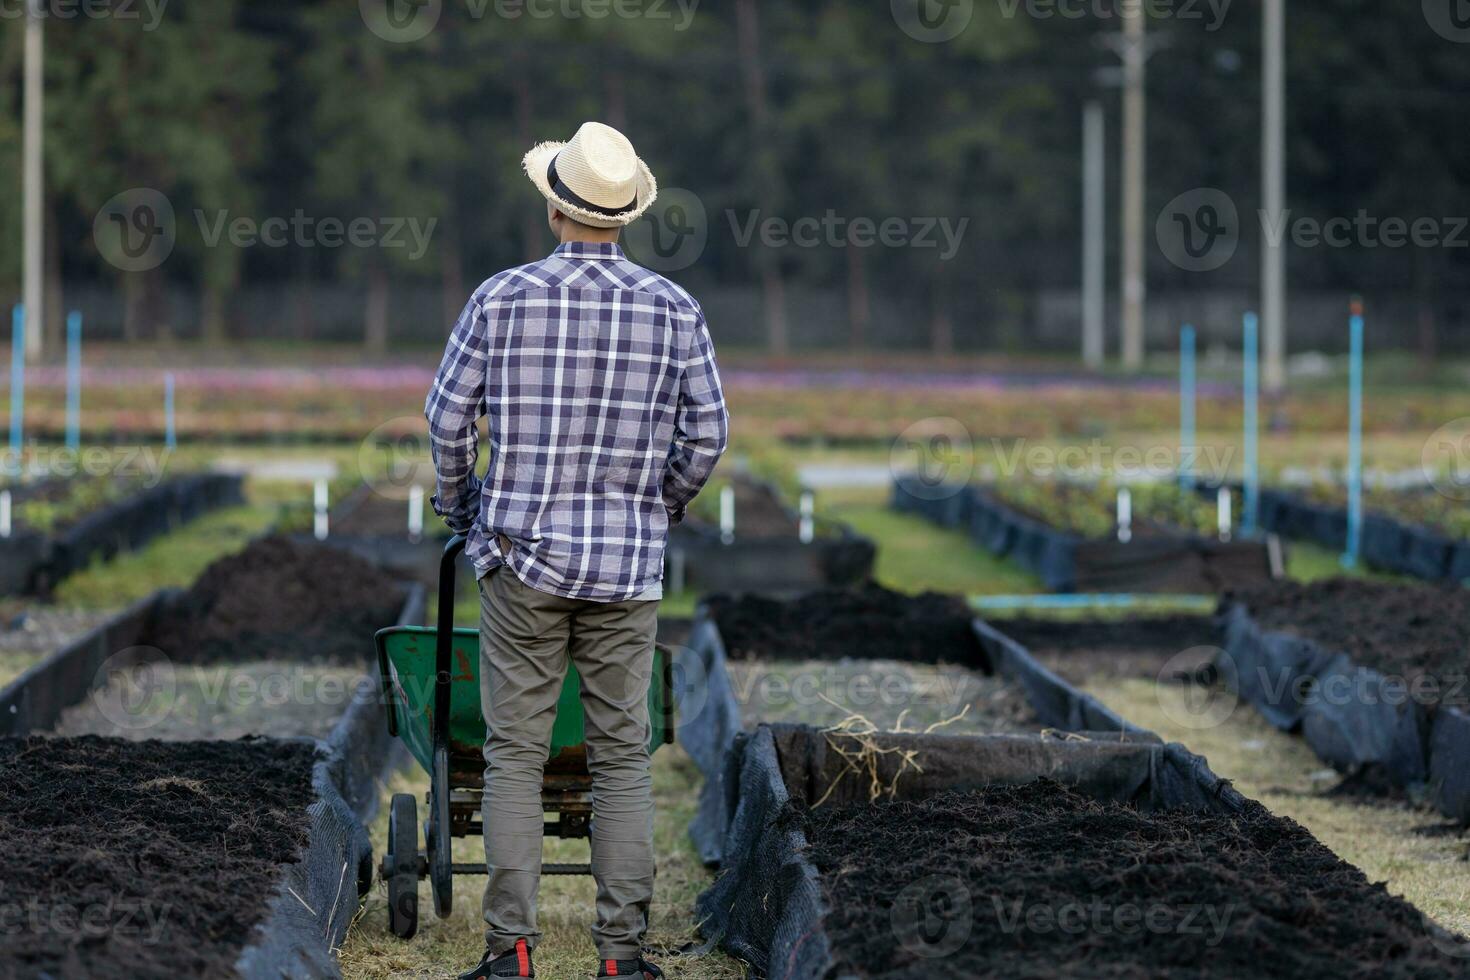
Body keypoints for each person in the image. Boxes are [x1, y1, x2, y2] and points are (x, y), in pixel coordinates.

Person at [425, 121, 728, 980]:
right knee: (621, 757)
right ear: (623, 216)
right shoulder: (675, 309)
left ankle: (511, 951)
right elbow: (707, 433)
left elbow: (447, 420)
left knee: (514, 757)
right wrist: (655, 504)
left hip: (519, 559)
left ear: (555, 210)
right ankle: (622, 959)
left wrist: (463, 506)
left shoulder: (501, 297)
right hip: (627, 568)